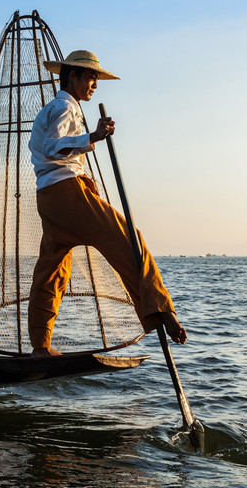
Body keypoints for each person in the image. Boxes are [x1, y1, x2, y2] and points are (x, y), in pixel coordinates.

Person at [27, 50, 187, 357]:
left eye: (96, 79)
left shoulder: (58, 108)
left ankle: (40, 346)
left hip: (49, 198)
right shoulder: (64, 107)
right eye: (90, 77)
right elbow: (51, 148)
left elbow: (54, 152)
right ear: (71, 76)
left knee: (52, 270)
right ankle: (162, 310)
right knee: (130, 240)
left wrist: (85, 164)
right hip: (66, 194)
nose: (95, 85)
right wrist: (94, 136)